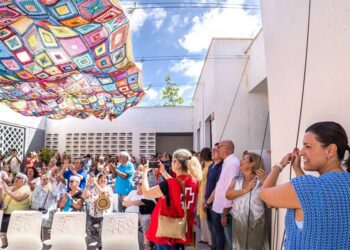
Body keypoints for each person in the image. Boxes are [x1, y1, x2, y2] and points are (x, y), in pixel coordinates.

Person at [260, 121, 350, 249]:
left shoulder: (308, 188)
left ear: (330, 150)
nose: (301, 152)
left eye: (307, 146)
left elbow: (265, 194)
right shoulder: (316, 188)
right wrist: (297, 169)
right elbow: (310, 200)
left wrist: (279, 165)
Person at [142, 149, 202, 250]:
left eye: (173, 161)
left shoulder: (172, 183)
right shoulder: (193, 180)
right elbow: (177, 185)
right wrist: (164, 172)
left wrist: (144, 173)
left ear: (177, 163)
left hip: (168, 231)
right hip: (183, 228)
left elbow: (147, 193)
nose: (170, 164)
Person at [226, 152, 269, 250]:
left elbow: (271, 201)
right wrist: (245, 190)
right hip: (238, 224)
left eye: (244, 159)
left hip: (257, 225)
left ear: (252, 164)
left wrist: (265, 181)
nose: (241, 160)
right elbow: (228, 195)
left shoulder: (261, 180)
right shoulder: (236, 179)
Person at [211, 140, 240, 250]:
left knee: (229, 243)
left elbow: (230, 189)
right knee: (221, 240)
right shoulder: (228, 162)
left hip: (225, 211)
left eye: (220, 146)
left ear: (227, 148)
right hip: (219, 208)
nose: (217, 149)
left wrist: (225, 214)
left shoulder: (232, 163)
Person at [83, 173, 113, 249]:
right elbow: (83, 196)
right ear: (99, 180)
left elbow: (103, 193)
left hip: (104, 215)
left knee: (102, 230)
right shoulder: (93, 190)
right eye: (101, 178)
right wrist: (88, 185)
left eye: (105, 178)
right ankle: (100, 240)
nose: (103, 179)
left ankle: (101, 243)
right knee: (88, 230)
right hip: (92, 214)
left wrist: (95, 183)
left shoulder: (108, 188)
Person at [0, 173, 31, 247]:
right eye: (16, 177)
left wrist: (8, 191)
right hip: (5, 214)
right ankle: (5, 246)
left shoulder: (26, 188)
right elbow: (2, 199)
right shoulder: (11, 188)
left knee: (9, 236)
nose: (16, 178)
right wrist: (1, 190)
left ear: (24, 181)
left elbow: (19, 199)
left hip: (18, 216)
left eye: (19, 177)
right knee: (3, 236)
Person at [123, 180, 156, 250]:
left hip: (144, 214)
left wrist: (131, 203)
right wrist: (136, 202)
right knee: (127, 221)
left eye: (141, 184)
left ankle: (147, 245)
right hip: (130, 214)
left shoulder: (148, 193)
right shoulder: (132, 192)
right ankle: (129, 244)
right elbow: (124, 203)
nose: (138, 185)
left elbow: (153, 204)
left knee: (146, 220)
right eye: (137, 183)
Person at [203, 143, 223, 250]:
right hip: (208, 202)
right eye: (212, 150)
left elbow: (218, 187)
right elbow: (206, 183)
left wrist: (208, 202)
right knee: (211, 229)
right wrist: (203, 199)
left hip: (215, 203)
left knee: (217, 231)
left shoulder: (221, 167)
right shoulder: (211, 166)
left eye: (216, 150)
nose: (213, 152)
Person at [31, 174, 59, 240]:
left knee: (48, 232)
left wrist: (53, 183)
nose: (45, 180)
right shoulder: (38, 188)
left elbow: (55, 193)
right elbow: (34, 200)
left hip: (50, 213)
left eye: (47, 179)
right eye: (43, 179)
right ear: (41, 180)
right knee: (39, 231)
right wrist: (37, 208)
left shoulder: (52, 187)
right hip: (40, 212)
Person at [197, 147, 213, 245]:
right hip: (202, 191)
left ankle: (210, 240)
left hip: (205, 192)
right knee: (202, 217)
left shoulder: (210, 166)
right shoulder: (206, 165)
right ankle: (205, 237)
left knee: (206, 217)